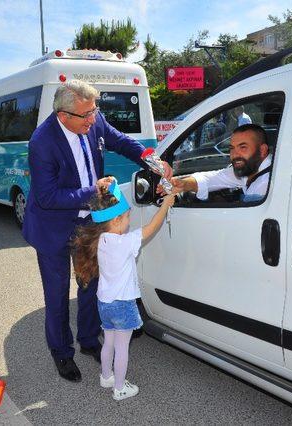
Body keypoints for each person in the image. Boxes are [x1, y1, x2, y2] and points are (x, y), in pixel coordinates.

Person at [22, 79, 172, 383]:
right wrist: (94, 190)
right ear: (64, 116)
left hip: (89, 221)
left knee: (91, 284)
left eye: (95, 111)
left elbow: (120, 140)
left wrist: (150, 160)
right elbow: (48, 197)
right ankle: (62, 352)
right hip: (52, 227)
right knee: (57, 294)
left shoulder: (92, 117)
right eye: (87, 115)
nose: (94, 119)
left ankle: (89, 339)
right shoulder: (42, 141)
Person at [72, 181, 174, 400]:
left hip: (104, 303)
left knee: (108, 342)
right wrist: (165, 204)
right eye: (127, 217)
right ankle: (119, 388)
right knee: (122, 348)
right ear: (116, 220)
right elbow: (151, 227)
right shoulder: (124, 242)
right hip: (123, 304)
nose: (129, 222)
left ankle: (106, 376)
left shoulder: (99, 240)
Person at [167, 124, 271, 203]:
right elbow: (213, 178)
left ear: (262, 150)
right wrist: (184, 184)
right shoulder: (250, 170)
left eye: (243, 147)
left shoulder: (267, 183)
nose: (234, 155)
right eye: (232, 148)